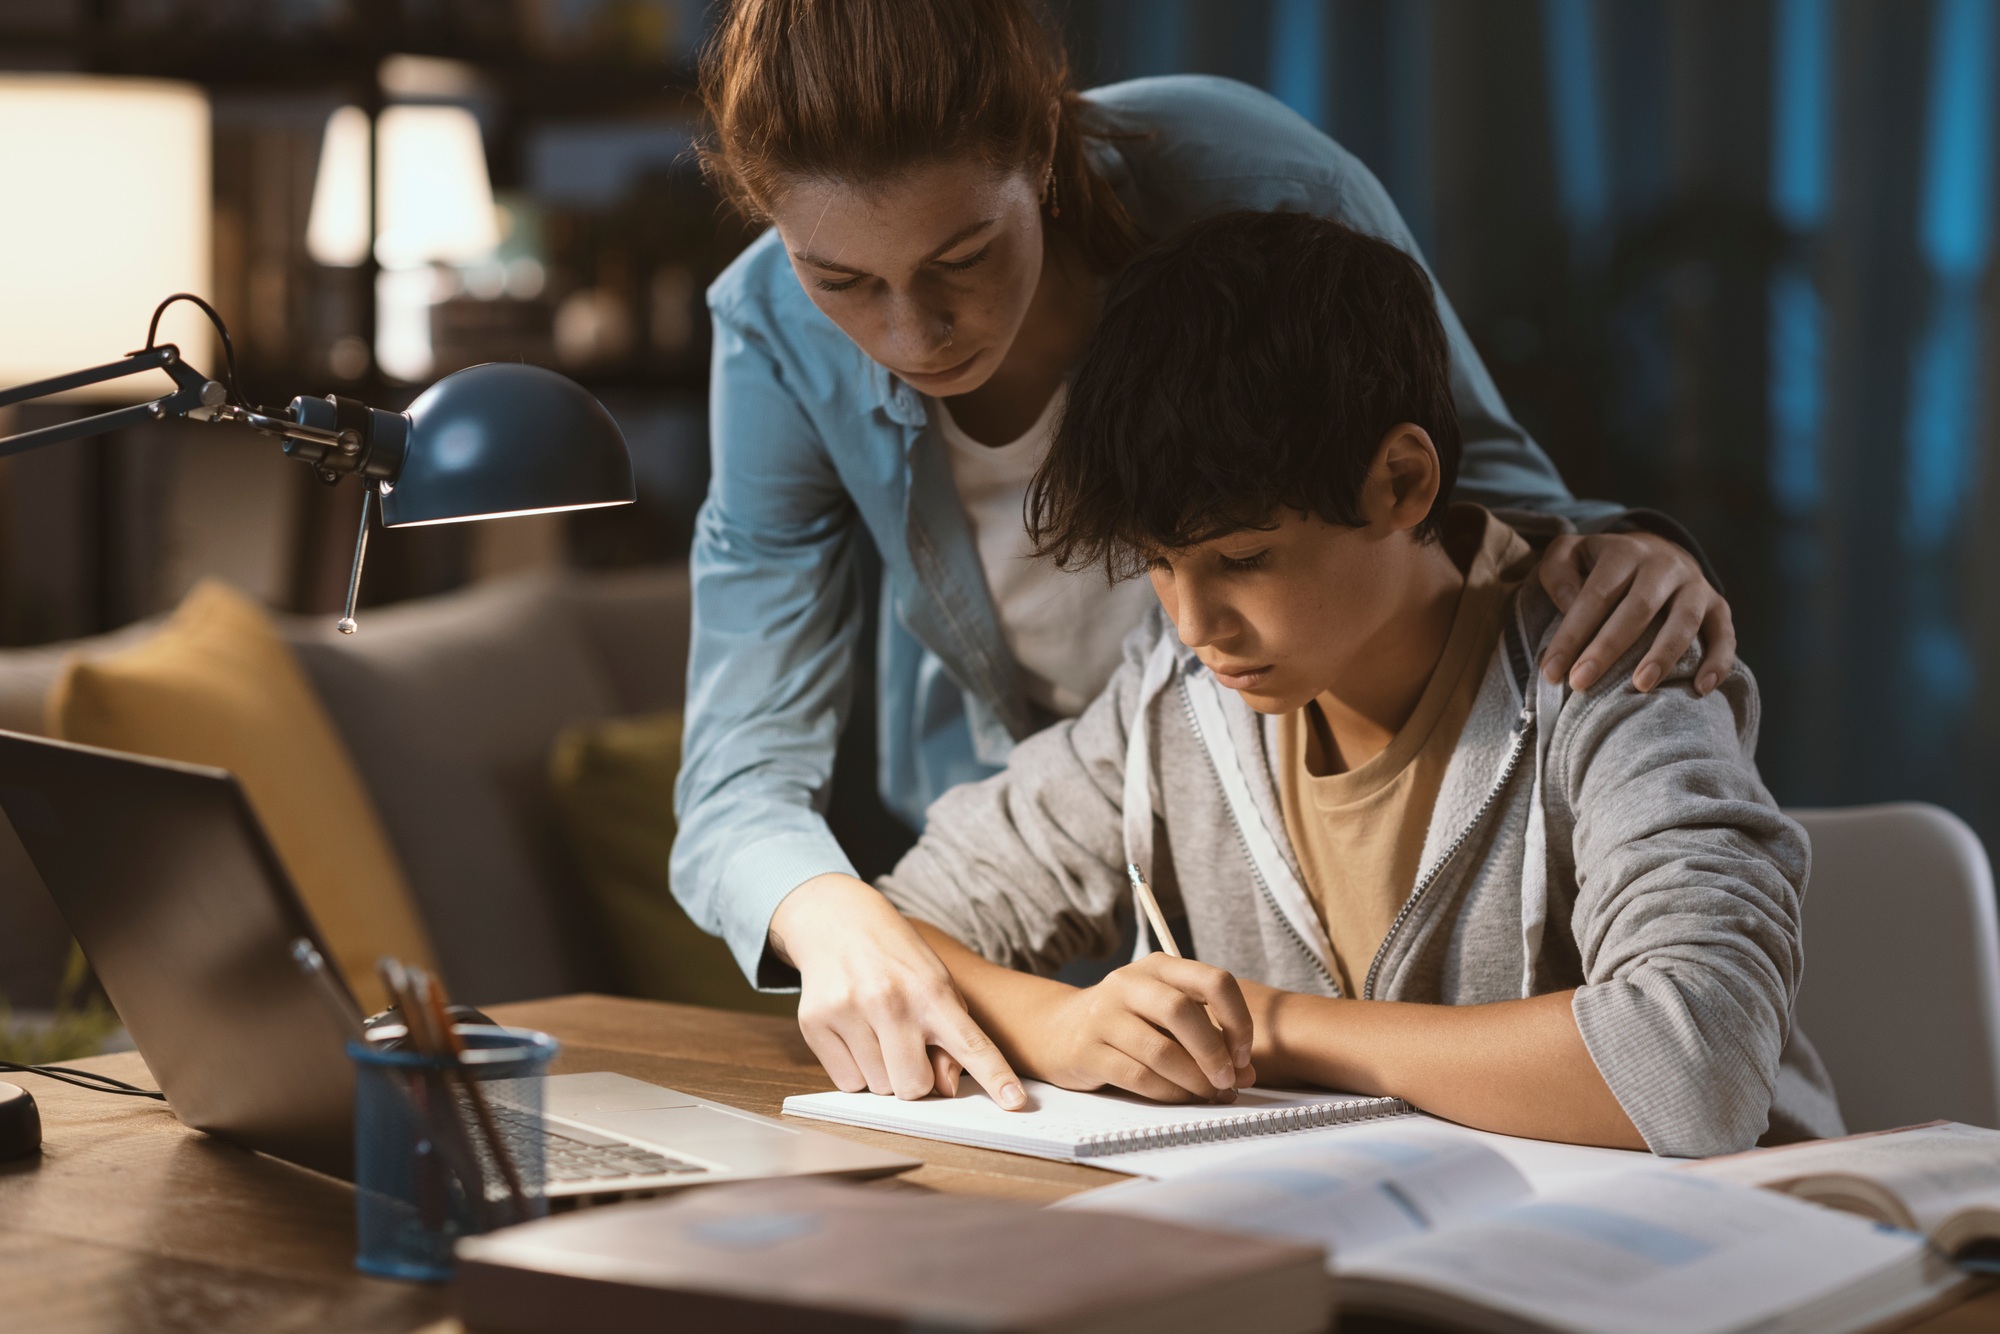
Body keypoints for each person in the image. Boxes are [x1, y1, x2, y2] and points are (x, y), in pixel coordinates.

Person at [679, 0, 1741, 1111]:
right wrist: (831, 916)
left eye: (963, 255)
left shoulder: (1234, 173)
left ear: (1039, 152)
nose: (913, 337)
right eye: (841, 281)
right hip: (1125, 820)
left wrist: (1634, 552)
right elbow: (750, 781)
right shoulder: (1166, 704)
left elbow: (1475, 492)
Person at [874, 210, 1843, 1155]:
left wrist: (1278, 1026)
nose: (1192, 622)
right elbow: (899, 925)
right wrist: (1061, 1026)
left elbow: (1696, 1062)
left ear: (1400, 483)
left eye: (1243, 557)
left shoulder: (1607, 659)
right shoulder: (1176, 699)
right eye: (1158, 562)